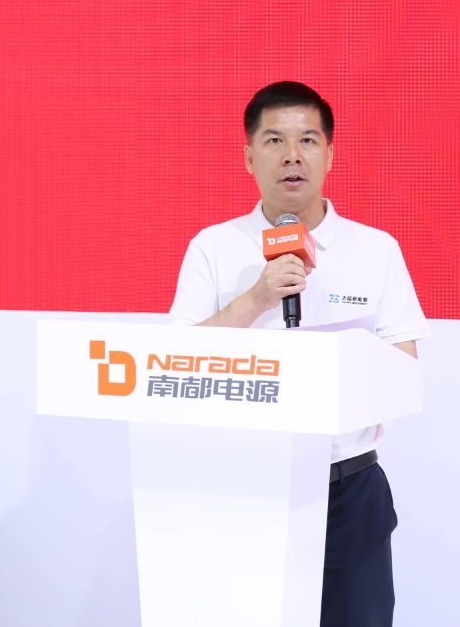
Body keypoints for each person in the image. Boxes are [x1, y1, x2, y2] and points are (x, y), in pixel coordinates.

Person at [168, 80, 429, 627]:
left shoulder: (375, 250)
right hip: (243, 485)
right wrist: (256, 299)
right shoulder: (213, 248)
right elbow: (174, 363)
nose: (292, 155)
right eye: (274, 141)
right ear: (248, 157)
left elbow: (404, 368)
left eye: (307, 140)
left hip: (347, 488)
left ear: (329, 154)